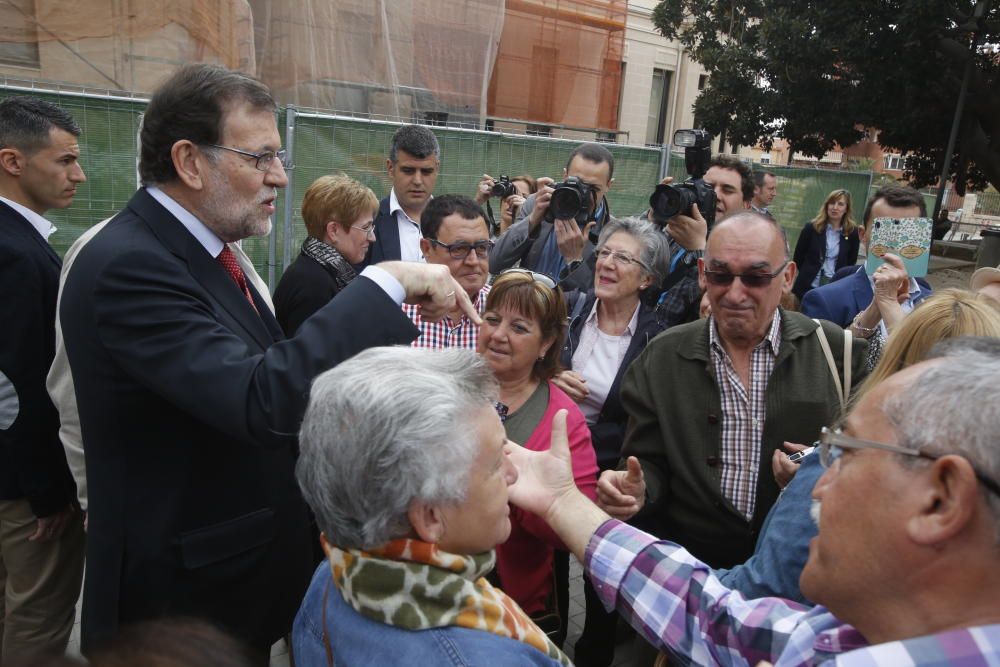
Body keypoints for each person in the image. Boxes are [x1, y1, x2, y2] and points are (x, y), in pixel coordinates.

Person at [59, 64, 476, 656]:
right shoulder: (129, 264)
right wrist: (383, 279)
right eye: (260, 158)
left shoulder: (208, 254)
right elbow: (259, 397)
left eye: (278, 157)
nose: (279, 176)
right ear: (189, 161)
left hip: (231, 588)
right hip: (177, 615)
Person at [504, 341, 1000, 666]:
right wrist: (564, 502)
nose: (817, 488)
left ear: (940, 500)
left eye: (844, 453)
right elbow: (711, 614)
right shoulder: (839, 639)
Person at [605, 211, 868, 570]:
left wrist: (817, 473)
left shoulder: (835, 352)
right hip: (693, 577)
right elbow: (648, 460)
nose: (735, 292)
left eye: (756, 277)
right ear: (702, 274)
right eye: (720, 275)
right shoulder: (663, 356)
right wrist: (635, 488)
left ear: (787, 277)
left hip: (798, 577)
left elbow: (871, 462)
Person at [717, 287, 1000, 607]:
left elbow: (761, 593)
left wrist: (654, 567)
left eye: (848, 453)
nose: (825, 490)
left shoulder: (840, 466)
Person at [292, 347, 571, 666]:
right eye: (495, 464)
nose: (513, 474)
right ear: (430, 516)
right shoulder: (484, 658)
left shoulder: (335, 572)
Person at [47, 218, 273, 514]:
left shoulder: (225, 252)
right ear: (192, 170)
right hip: (157, 516)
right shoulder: (117, 254)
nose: (278, 180)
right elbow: (75, 393)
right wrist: (97, 503)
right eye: (261, 166)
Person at [553, 217, 668, 666]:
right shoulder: (567, 309)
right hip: (554, 464)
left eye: (623, 257)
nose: (607, 263)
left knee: (601, 590)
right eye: (603, 252)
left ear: (646, 278)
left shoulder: (657, 336)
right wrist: (551, 376)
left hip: (611, 476)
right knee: (550, 578)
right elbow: (524, 366)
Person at [0, 95, 86, 661]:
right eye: (64, 160)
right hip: (23, 491)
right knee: (37, 616)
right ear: (13, 161)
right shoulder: (16, 255)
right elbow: (23, 385)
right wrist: (49, 492)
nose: (79, 174)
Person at [476, 269, 598, 641]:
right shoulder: (451, 388)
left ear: (546, 344)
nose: (498, 334)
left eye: (519, 327)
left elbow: (576, 531)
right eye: (492, 319)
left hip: (512, 610)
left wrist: (527, 497)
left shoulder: (562, 418)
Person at [801, 184, 932, 329]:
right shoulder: (825, 300)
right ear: (863, 235)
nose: (896, 242)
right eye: (885, 230)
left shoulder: (935, 305)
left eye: (908, 230)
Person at [489, 143, 615, 290]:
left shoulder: (611, 232)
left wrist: (574, 260)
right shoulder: (538, 204)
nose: (583, 194)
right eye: (577, 184)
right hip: (526, 305)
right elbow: (493, 263)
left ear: (608, 185)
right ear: (565, 175)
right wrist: (531, 221)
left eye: (593, 189)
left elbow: (597, 296)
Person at [649, 154, 754, 328]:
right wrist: (655, 216)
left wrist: (698, 250)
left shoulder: (747, 254)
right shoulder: (672, 228)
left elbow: (714, 313)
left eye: (727, 190)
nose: (715, 195)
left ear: (746, 205)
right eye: (708, 187)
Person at [273, 174, 378, 335]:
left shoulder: (319, 272)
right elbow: (312, 356)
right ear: (334, 230)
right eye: (366, 228)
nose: (372, 237)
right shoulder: (314, 284)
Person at [405, 194, 492, 349]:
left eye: (481, 248)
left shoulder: (502, 310)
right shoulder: (397, 309)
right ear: (427, 249)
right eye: (459, 249)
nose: (473, 261)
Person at [360, 124, 440, 266]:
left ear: (436, 169)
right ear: (391, 168)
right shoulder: (369, 222)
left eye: (426, 171)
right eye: (408, 170)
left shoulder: (451, 221)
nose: (417, 181)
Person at [791, 188, 861, 301]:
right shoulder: (811, 228)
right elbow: (798, 257)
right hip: (807, 288)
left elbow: (850, 262)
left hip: (833, 289)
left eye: (840, 204)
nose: (835, 207)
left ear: (846, 209)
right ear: (826, 205)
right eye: (832, 203)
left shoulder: (852, 232)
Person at [475, 173, 537, 238]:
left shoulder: (535, 241)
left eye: (523, 197)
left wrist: (525, 212)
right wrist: (477, 202)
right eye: (509, 194)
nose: (513, 200)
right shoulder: (483, 234)